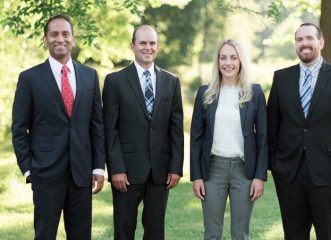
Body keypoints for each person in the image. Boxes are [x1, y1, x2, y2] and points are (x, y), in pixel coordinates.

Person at [11, 14, 105, 239]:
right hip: (45, 174)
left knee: (81, 235)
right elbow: (19, 129)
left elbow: (97, 126)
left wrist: (98, 167)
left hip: (81, 174)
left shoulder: (90, 76)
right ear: (45, 39)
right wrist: (28, 168)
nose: (59, 39)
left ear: (73, 38)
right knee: (44, 234)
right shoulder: (29, 78)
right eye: (53, 34)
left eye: (65, 34)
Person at [267, 22, 331, 240]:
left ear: (321, 42)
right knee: (294, 235)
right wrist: (275, 165)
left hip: (329, 174)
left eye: (309, 38)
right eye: (299, 39)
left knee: (329, 234)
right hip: (289, 174)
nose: (304, 43)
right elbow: (272, 125)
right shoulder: (281, 78)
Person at [102, 25, 184, 240]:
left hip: (160, 171)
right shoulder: (114, 81)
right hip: (126, 172)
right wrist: (116, 169)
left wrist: (175, 167)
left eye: (152, 43)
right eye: (143, 43)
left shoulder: (171, 81)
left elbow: (176, 129)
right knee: (124, 229)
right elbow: (110, 130)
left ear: (157, 46)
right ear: (133, 46)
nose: (148, 47)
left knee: (156, 232)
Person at [190, 39, 268, 240]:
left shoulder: (255, 93)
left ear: (241, 61)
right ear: (217, 61)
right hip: (213, 169)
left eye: (233, 57)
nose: (228, 62)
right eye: (223, 57)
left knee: (240, 234)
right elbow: (196, 138)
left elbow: (263, 138)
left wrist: (259, 176)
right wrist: (196, 176)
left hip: (245, 170)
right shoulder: (205, 93)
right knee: (212, 233)